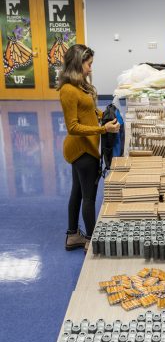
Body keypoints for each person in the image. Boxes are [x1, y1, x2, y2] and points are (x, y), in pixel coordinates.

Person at [58, 44, 120, 252]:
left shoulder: (81, 85)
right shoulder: (68, 90)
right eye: (88, 64)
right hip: (82, 150)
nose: (91, 68)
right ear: (78, 63)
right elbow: (73, 127)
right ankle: (92, 241)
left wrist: (107, 117)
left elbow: (91, 111)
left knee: (77, 192)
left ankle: (73, 235)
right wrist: (103, 130)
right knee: (88, 196)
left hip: (87, 146)